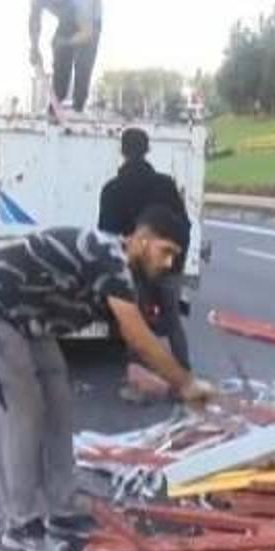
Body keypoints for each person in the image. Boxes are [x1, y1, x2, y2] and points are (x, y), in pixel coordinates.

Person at [0, 206, 213, 551]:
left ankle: (62, 506)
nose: (169, 262)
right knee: (23, 412)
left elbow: (130, 335)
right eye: (166, 251)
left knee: (58, 402)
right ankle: (22, 525)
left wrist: (151, 376)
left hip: (32, 319)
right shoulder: (110, 258)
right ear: (142, 240)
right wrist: (186, 384)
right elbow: (140, 337)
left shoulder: (127, 274)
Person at [98, 128, 193, 398]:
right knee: (173, 322)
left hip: (135, 268)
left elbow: (107, 235)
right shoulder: (165, 185)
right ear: (147, 150)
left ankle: (139, 386)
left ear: (122, 151)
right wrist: (176, 260)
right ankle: (184, 382)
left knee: (135, 324)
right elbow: (184, 225)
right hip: (168, 264)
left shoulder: (112, 190)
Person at [29, 0, 102, 113]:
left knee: (83, 61)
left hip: (90, 21)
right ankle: (57, 101)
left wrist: (65, 43)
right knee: (60, 54)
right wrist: (34, 47)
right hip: (67, 20)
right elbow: (35, 21)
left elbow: (86, 34)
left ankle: (78, 105)